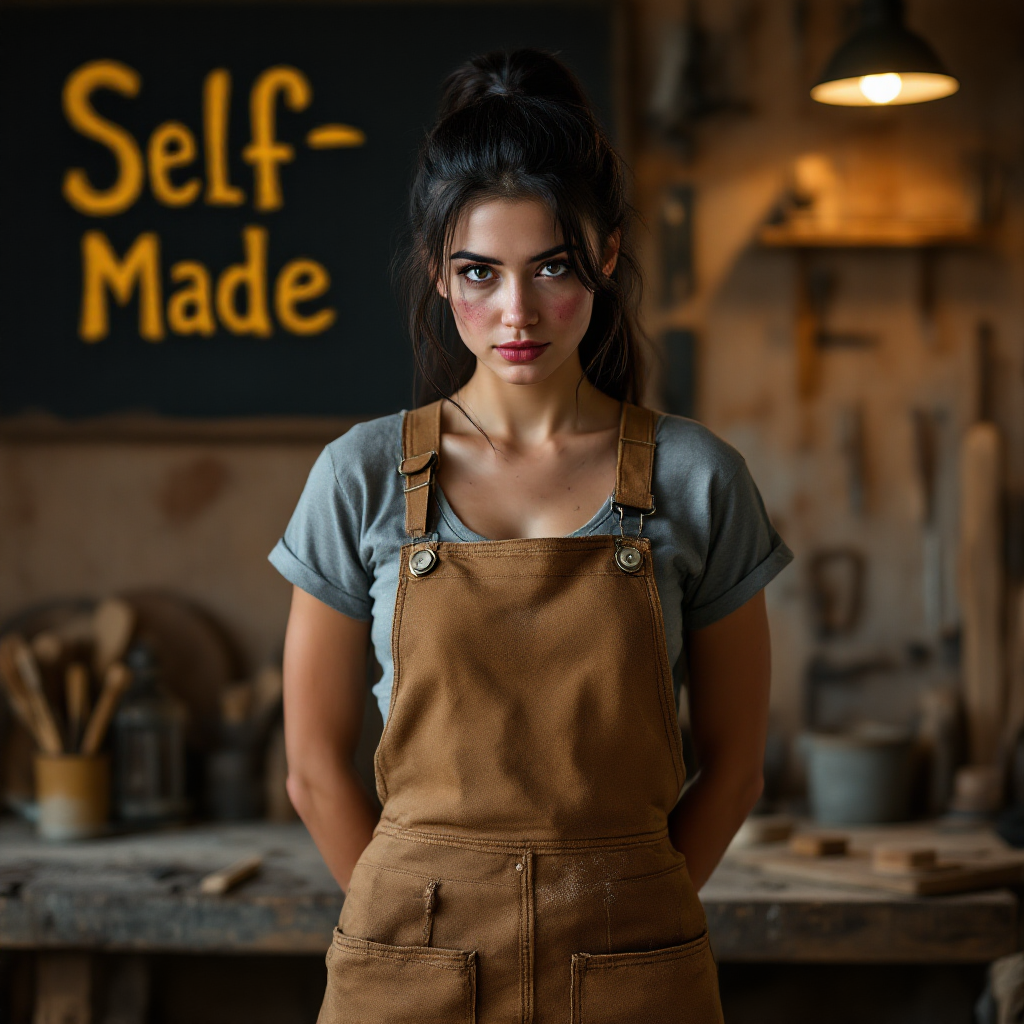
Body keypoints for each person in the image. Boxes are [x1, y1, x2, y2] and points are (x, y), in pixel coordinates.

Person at [269, 48, 793, 1024]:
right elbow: (310, 766)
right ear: (437, 272)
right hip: (407, 962)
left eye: (551, 267)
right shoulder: (360, 475)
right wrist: (402, 920)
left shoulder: (697, 477)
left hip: (633, 961)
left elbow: (734, 767)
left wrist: (631, 897)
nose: (517, 313)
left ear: (604, 253)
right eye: (480, 273)